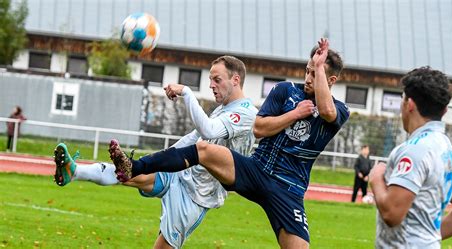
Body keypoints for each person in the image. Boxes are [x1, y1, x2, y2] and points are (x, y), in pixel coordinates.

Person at [109, 38, 350, 248]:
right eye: (308, 70)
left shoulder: (340, 110)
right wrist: (294, 114)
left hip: (289, 189)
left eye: (315, 73)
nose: (308, 77)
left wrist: (319, 67)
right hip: (256, 170)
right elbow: (258, 129)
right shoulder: (284, 91)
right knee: (204, 149)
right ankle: (135, 166)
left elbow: (327, 111)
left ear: (331, 80)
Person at [53, 55, 258, 249]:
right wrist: (160, 159)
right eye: (210, 80)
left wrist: (186, 92)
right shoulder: (223, 108)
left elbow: (209, 130)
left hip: (197, 196)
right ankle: (74, 171)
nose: (211, 85)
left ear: (235, 80)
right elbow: (195, 138)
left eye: (217, 79)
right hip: (179, 174)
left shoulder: (247, 113)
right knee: (128, 173)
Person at [368, 66, 452, 248]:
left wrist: (376, 178)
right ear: (445, 109)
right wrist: (428, 238)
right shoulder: (450, 152)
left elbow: (392, 214)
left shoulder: (414, 150)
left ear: (409, 104)